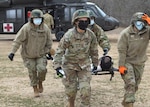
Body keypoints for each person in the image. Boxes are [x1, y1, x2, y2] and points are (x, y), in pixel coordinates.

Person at [53, 9, 98, 107]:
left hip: (84, 66)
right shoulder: (69, 35)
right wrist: (57, 66)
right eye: (82, 21)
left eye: (86, 21)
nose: (84, 23)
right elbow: (60, 50)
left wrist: (95, 64)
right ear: (76, 22)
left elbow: (94, 50)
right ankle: (71, 103)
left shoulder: (91, 35)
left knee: (85, 90)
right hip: (70, 65)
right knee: (71, 91)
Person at [8, 9, 53, 97]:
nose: (37, 20)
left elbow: (49, 42)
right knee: (32, 71)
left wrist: (48, 52)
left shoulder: (45, 28)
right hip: (28, 55)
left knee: (42, 69)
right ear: (31, 19)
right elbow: (18, 40)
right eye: (35, 18)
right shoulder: (26, 28)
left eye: (39, 18)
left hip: (41, 54)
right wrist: (12, 52)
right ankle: (35, 88)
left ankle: (40, 82)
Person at [117, 12, 150, 107]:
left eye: (143, 22)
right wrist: (121, 65)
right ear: (133, 22)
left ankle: (126, 102)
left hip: (139, 63)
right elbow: (122, 51)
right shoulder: (125, 34)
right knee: (131, 84)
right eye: (138, 22)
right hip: (128, 62)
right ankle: (129, 104)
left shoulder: (147, 31)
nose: (140, 24)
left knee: (135, 87)